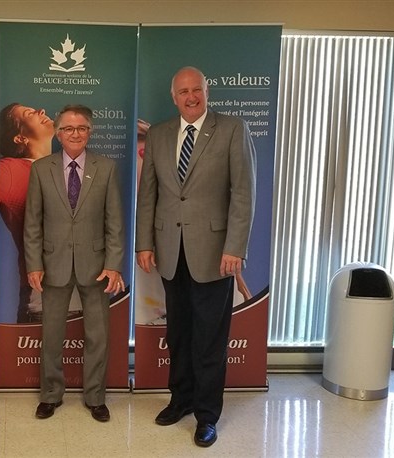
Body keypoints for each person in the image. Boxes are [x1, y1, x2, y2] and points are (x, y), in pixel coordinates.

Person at [135, 67, 256, 447]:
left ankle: (206, 415)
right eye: (183, 92)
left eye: (197, 90)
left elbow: (243, 193)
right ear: (174, 97)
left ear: (207, 91)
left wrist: (235, 247)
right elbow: (148, 193)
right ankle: (181, 399)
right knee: (178, 333)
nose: (191, 97)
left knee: (209, 339)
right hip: (170, 252)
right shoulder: (159, 134)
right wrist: (144, 243)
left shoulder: (232, 129)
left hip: (215, 254)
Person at [24, 104, 125, 422]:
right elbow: (32, 223)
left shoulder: (106, 168)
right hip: (52, 263)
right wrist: (34, 264)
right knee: (52, 334)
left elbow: (114, 222)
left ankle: (96, 396)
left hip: (96, 265)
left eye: (81, 128)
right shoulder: (41, 169)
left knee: (98, 335)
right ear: (58, 133)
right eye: (68, 128)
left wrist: (113, 264)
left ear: (90, 132)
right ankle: (50, 394)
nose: (75, 134)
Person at [0, 103, 55, 322]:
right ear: (20, 138)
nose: (42, 111)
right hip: (42, 293)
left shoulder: (68, 167)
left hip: (81, 289)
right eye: (30, 113)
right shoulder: (9, 170)